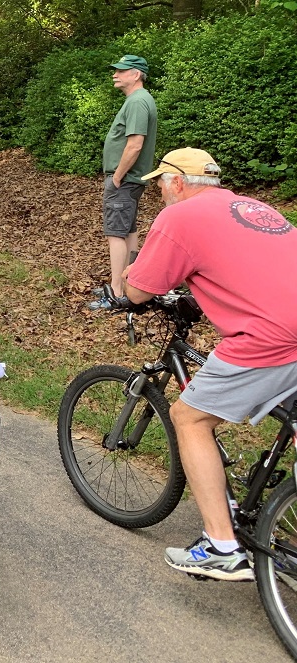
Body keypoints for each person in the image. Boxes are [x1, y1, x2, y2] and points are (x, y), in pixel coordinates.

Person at [120, 148, 297, 581]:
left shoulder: (180, 216)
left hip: (273, 336)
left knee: (189, 418)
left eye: (161, 184)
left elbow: (141, 290)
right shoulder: (253, 206)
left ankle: (221, 546)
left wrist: (124, 284)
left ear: (178, 182)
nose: (159, 192)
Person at [89, 54, 158, 310]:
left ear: (135, 74)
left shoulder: (138, 101)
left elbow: (135, 144)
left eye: (120, 70)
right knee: (128, 231)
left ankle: (117, 294)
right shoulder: (139, 100)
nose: (114, 74)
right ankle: (129, 285)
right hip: (130, 180)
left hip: (125, 179)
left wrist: (117, 176)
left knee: (115, 233)